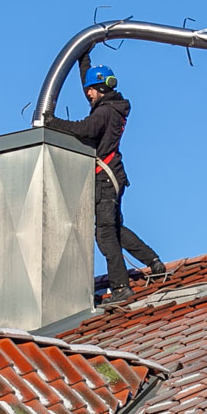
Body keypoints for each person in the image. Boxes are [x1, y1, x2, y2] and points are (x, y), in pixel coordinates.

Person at [45, 63, 166, 305]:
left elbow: (84, 129)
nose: (87, 93)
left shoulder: (103, 113)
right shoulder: (111, 106)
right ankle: (153, 262)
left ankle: (121, 288)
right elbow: (91, 93)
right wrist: (84, 61)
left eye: (90, 89)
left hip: (104, 180)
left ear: (100, 88)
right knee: (114, 227)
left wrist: (52, 122)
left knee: (105, 234)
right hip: (114, 176)